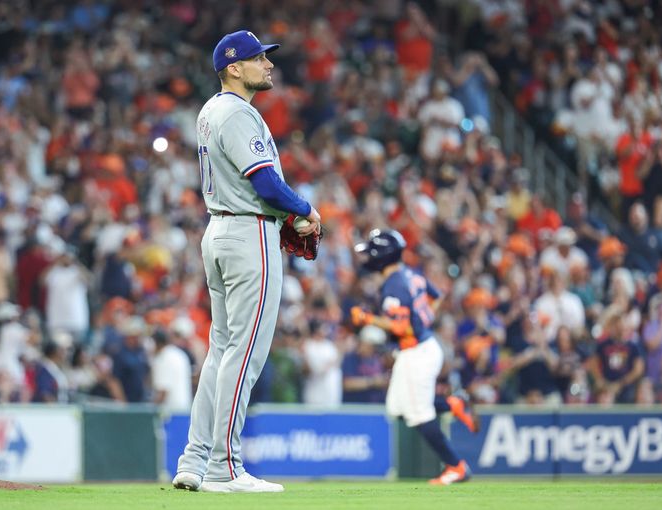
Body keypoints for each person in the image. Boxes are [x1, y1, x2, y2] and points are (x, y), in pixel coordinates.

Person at [172, 30, 321, 494]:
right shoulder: (237, 112)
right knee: (244, 353)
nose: (268, 65)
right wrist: (304, 211)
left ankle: (195, 460)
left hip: (221, 229)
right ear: (234, 67)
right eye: (259, 58)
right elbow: (266, 184)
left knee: (221, 352)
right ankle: (226, 468)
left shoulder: (211, 111)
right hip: (246, 232)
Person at [350, 229, 478, 486]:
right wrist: (425, 318)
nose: (368, 258)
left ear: (381, 256)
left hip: (416, 352)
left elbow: (401, 327)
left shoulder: (393, 284)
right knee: (396, 407)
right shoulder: (410, 275)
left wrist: (368, 319)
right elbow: (437, 297)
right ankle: (451, 404)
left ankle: (456, 466)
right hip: (424, 347)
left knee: (419, 414)